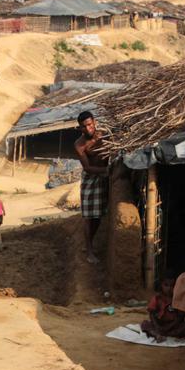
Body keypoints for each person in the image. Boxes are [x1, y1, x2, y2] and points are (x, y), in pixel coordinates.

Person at [74, 111, 108, 263]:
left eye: (89, 124)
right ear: (80, 128)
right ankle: (89, 252)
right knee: (88, 217)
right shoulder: (79, 145)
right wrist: (106, 171)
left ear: (94, 122)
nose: (87, 129)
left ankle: (90, 242)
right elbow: (87, 168)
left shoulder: (104, 135)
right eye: (83, 127)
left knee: (98, 216)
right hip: (90, 179)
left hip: (104, 176)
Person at [140, 271, 185, 342]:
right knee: (145, 324)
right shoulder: (157, 298)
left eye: (172, 285)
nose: (169, 288)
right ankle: (157, 334)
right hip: (160, 324)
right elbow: (152, 314)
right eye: (166, 285)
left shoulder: (179, 299)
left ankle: (162, 334)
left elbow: (181, 317)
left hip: (174, 325)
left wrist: (171, 326)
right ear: (161, 285)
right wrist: (157, 327)